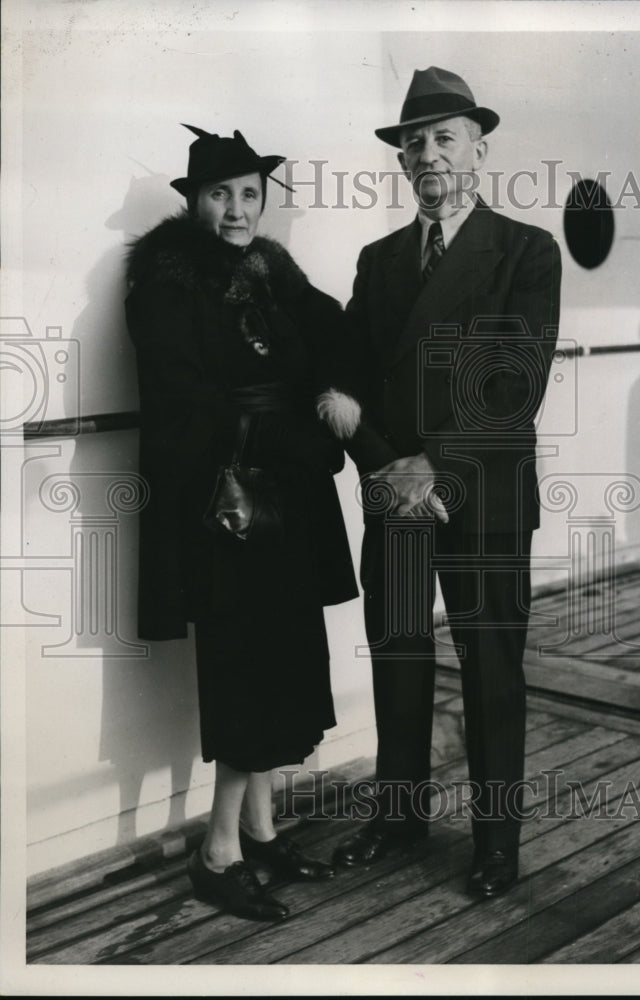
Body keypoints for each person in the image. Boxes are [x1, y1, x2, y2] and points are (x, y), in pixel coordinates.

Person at [334, 67, 562, 898]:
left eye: (443, 137)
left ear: (479, 149)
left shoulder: (526, 251)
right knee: (397, 654)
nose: (426, 153)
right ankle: (400, 818)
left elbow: (517, 382)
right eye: (412, 142)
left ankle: (495, 843)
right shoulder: (379, 259)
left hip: (485, 493)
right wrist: (388, 467)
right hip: (397, 491)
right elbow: (353, 382)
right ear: (401, 161)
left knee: (492, 668)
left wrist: (435, 465)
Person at [125, 125, 360, 921]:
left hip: (285, 503)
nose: (236, 210)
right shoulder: (164, 287)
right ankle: (217, 850)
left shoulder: (272, 273)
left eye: (249, 195)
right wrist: (287, 434)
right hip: (226, 512)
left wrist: (335, 390)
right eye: (220, 195)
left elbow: (335, 331)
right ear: (193, 202)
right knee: (247, 673)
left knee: (286, 664)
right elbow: (182, 409)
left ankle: (259, 828)